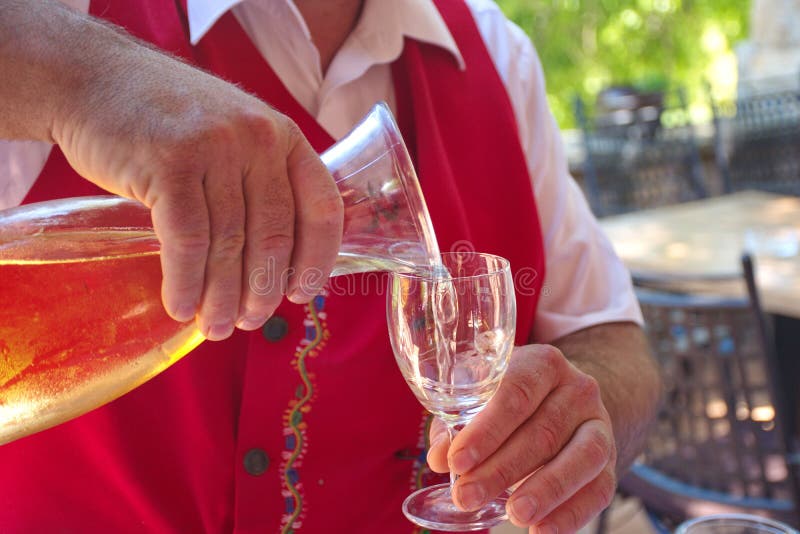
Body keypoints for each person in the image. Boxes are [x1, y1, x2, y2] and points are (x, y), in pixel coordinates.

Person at [0, 1, 662, 533]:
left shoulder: (498, 54)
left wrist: (579, 411)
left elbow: (613, 342)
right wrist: (89, 77)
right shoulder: (62, 18)